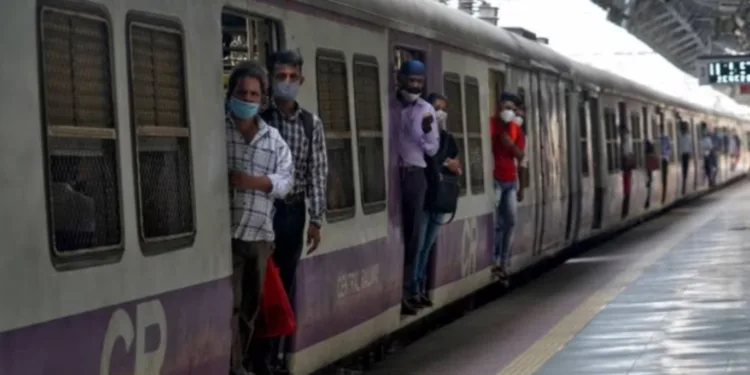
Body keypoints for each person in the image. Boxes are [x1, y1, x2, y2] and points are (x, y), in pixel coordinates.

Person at [258, 50, 329, 372]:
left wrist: (315, 219)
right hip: (263, 209)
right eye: (280, 76)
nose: (286, 83)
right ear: (270, 79)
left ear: (302, 80)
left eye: (292, 77)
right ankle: (256, 354)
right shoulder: (260, 118)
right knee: (259, 282)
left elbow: (317, 172)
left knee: (284, 284)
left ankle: (275, 355)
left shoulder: (310, 124)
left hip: (292, 212)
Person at [225, 61, 294, 375]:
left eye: (253, 94)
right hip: (224, 237)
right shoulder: (217, 132)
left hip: (259, 236)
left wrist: (253, 181)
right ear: (231, 94)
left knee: (249, 309)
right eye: (242, 93)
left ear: (262, 100)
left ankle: (238, 363)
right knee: (231, 304)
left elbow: (285, 183)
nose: (247, 99)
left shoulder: (274, 140)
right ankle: (234, 367)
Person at [394, 60, 439, 315]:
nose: (414, 86)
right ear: (401, 79)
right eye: (411, 81)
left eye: (419, 82)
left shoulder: (426, 111)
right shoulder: (391, 105)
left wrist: (423, 133)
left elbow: (432, 148)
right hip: (392, 174)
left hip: (413, 175)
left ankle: (407, 290)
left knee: (411, 235)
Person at [411, 93, 462, 308]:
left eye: (443, 109)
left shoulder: (448, 138)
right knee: (419, 245)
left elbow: (457, 165)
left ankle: (420, 287)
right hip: (424, 197)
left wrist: (450, 165)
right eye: (436, 107)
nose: (440, 113)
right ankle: (413, 288)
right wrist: (445, 165)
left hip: (440, 198)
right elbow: (428, 161)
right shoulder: (421, 135)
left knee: (428, 245)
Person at [490, 92, 525, 279]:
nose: (509, 112)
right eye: (506, 108)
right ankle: (494, 260)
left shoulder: (515, 130)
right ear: (499, 107)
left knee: (510, 221)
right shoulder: (491, 124)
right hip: (494, 178)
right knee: (496, 222)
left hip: (510, 181)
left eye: (512, 109)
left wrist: (509, 144)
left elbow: (520, 156)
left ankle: (504, 261)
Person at [619, 123, 634, 217]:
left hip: (626, 165)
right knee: (626, 186)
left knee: (626, 186)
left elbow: (626, 154)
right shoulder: (628, 140)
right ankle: (625, 205)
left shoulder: (626, 142)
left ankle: (625, 205)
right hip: (627, 165)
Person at [678, 121, 692, 195]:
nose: (683, 130)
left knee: (684, 170)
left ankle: (684, 185)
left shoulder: (685, 137)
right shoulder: (683, 136)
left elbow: (690, 147)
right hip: (684, 154)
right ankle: (684, 185)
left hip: (685, 154)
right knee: (684, 170)